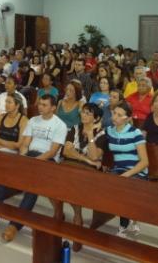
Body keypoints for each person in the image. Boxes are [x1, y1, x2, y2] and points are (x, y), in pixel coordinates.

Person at [0, 95, 67, 242]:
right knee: (2, 176)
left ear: (53, 108)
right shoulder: (34, 121)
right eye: (40, 104)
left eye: (44, 105)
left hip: (47, 161)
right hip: (28, 156)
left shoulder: (59, 125)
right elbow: (25, 144)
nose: (40, 107)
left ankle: (14, 226)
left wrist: (33, 162)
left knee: (32, 187)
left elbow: (52, 152)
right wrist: (23, 159)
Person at [88, 101, 148, 238]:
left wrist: (127, 174)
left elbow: (145, 162)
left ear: (127, 119)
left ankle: (123, 226)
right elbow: (95, 152)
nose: (114, 117)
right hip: (118, 169)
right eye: (114, 113)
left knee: (123, 187)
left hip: (136, 171)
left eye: (119, 115)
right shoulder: (109, 131)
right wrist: (91, 134)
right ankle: (130, 215)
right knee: (106, 186)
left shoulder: (135, 133)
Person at [62, 103, 104, 249]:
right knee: (52, 176)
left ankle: (77, 218)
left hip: (88, 172)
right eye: (83, 112)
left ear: (96, 117)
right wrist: (86, 159)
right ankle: (59, 212)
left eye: (88, 113)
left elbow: (95, 155)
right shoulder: (74, 128)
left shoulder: (102, 134)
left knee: (77, 181)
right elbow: (66, 152)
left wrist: (91, 135)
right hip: (71, 164)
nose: (83, 115)